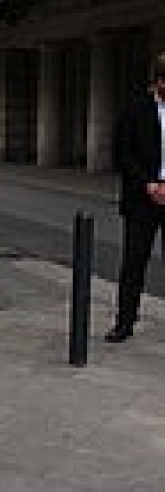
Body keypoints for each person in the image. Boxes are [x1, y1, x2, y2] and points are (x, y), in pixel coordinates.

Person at [105, 51, 165, 343]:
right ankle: (124, 322)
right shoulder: (134, 110)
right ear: (159, 81)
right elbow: (122, 154)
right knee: (134, 262)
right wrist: (148, 184)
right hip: (142, 199)